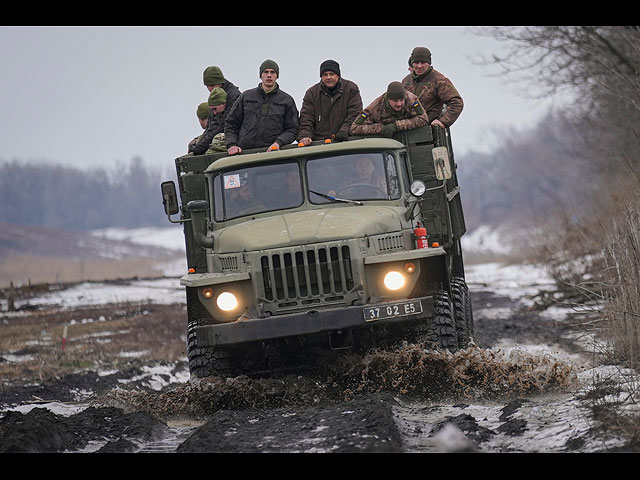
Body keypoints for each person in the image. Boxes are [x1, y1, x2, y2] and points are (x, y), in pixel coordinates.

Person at [225, 59, 299, 155]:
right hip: (244, 154)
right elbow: (231, 123)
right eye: (266, 72)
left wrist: (278, 143)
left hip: (273, 155)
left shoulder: (287, 100)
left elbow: (292, 129)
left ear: (277, 76)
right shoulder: (246, 97)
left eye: (272, 72)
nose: (269, 75)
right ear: (261, 75)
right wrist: (232, 145)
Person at [297, 59, 363, 145]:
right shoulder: (312, 93)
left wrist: (344, 130)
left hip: (345, 140)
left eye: (331, 74)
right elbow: (306, 118)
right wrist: (305, 136)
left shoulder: (351, 88)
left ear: (338, 75)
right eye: (325, 75)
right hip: (319, 142)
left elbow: (355, 113)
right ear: (321, 77)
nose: (328, 77)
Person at [401, 47, 464, 129]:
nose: (419, 66)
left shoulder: (439, 80)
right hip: (408, 129)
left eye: (423, 62)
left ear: (429, 63)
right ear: (412, 63)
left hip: (429, 131)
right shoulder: (406, 81)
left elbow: (457, 102)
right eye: (416, 62)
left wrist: (443, 121)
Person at [189, 66, 241, 155]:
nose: (209, 89)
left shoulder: (232, 97)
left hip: (233, 137)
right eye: (207, 86)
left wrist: (202, 146)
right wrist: (201, 143)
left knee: (217, 141)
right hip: (220, 134)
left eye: (212, 85)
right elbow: (213, 125)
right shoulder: (217, 96)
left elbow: (224, 125)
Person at [350, 81, 428, 137]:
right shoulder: (375, 107)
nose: (399, 104)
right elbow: (355, 128)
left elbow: (423, 119)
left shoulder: (412, 100)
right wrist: (382, 128)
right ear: (388, 99)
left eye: (401, 100)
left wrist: (397, 126)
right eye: (395, 101)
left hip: (410, 138)